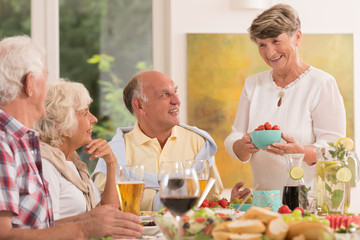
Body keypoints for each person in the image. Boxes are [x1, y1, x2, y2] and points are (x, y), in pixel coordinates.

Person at [0, 35, 142, 239]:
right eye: (45, 78)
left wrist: (89, 220)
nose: (48, 89)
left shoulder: (21, 142)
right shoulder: (4, 143)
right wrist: (85, 228)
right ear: (30, 83)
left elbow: (38, 227)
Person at [224, 4, 346, 196]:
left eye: (276, 41)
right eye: (262, 44)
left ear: (297, 37)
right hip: (264, 200)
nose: (269, 52)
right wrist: (242, 145)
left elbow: (335, 148)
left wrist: (299, 151)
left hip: (308, 202)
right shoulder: (252, 84)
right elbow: (234, 136)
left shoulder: (322, 84)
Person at [92, 70, 226, 211]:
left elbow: (212, 203)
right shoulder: (114, 153)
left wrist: (233, 201)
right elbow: (102, 211)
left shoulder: (200, 143)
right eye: (165, 95)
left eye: (175, 92)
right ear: (140, 106)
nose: (177, 101)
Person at [34, 79, 119, 220]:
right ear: (62, 126)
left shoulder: (73, 163)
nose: (94, 119)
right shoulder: (46, 165)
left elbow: (108, 213)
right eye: (85, 113)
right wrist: (88, 220)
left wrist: (111, 163)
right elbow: (45, 228)